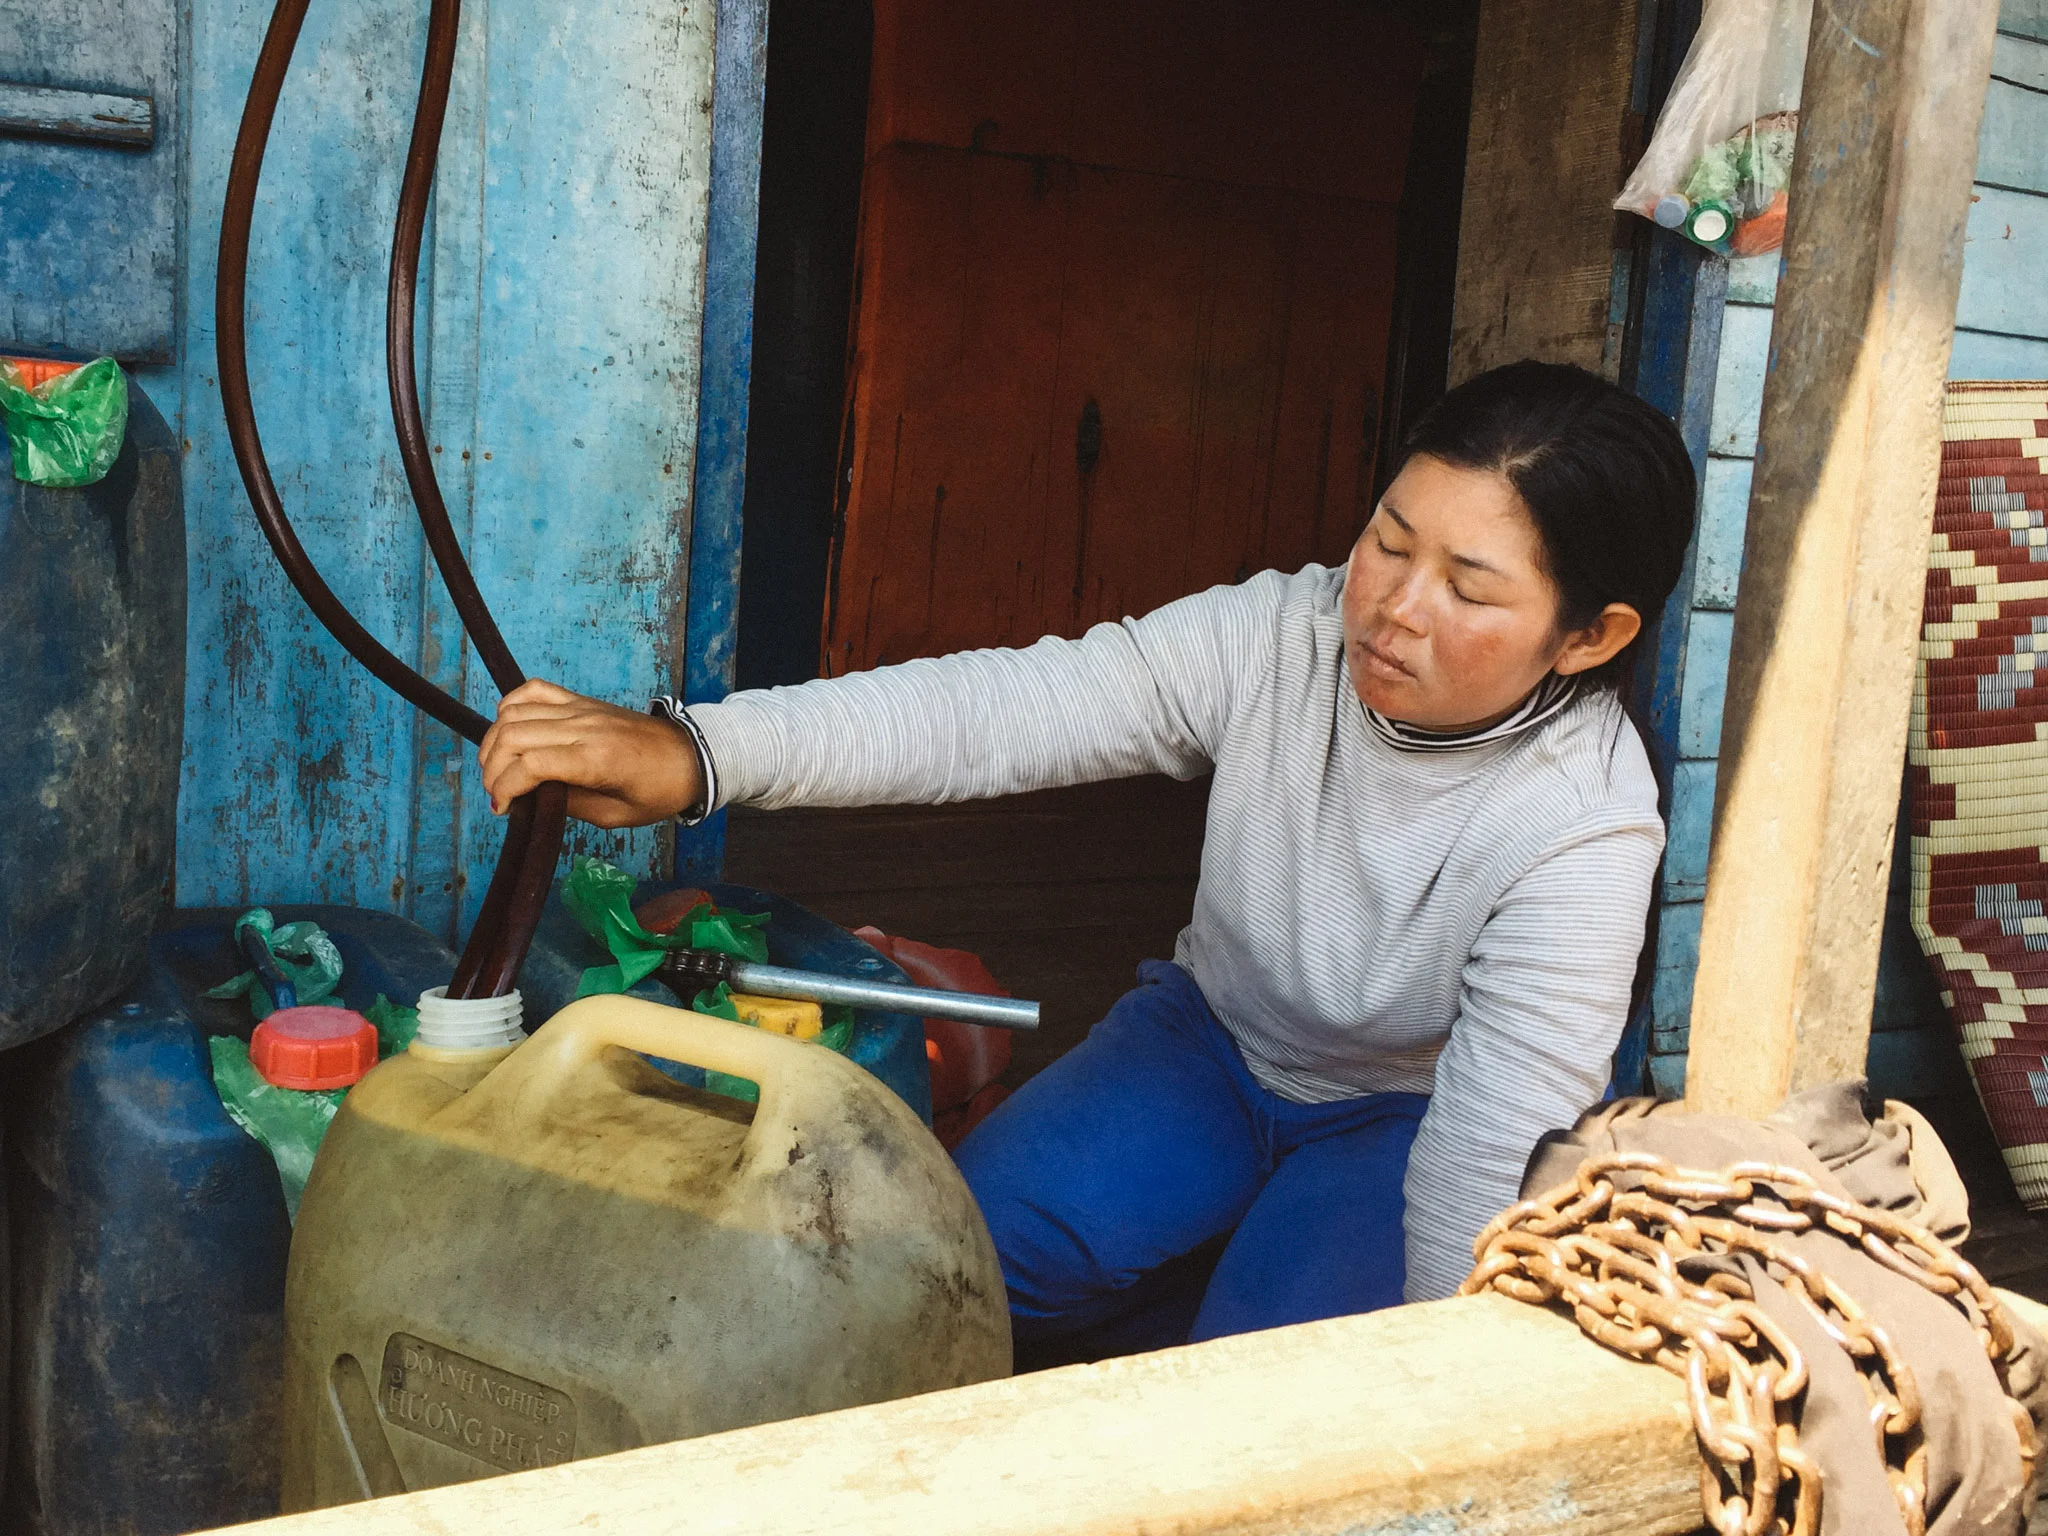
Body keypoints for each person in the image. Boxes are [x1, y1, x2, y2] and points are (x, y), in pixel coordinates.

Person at [477, 359, 1696, 1353]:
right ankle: (1208, 1278)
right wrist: (695, 757)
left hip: (1403, 1124)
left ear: (1588, 636)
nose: (1390, 607)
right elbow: (1016, 708)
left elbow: (1486, 1156)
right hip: (1206, 1044)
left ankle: (1239, 1301)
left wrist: (1438, 1392)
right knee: (936, 1278)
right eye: (1389, 540)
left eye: (1467, 589)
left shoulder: (1581, 828)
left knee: (1275, 1420)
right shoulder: (1279, 634)